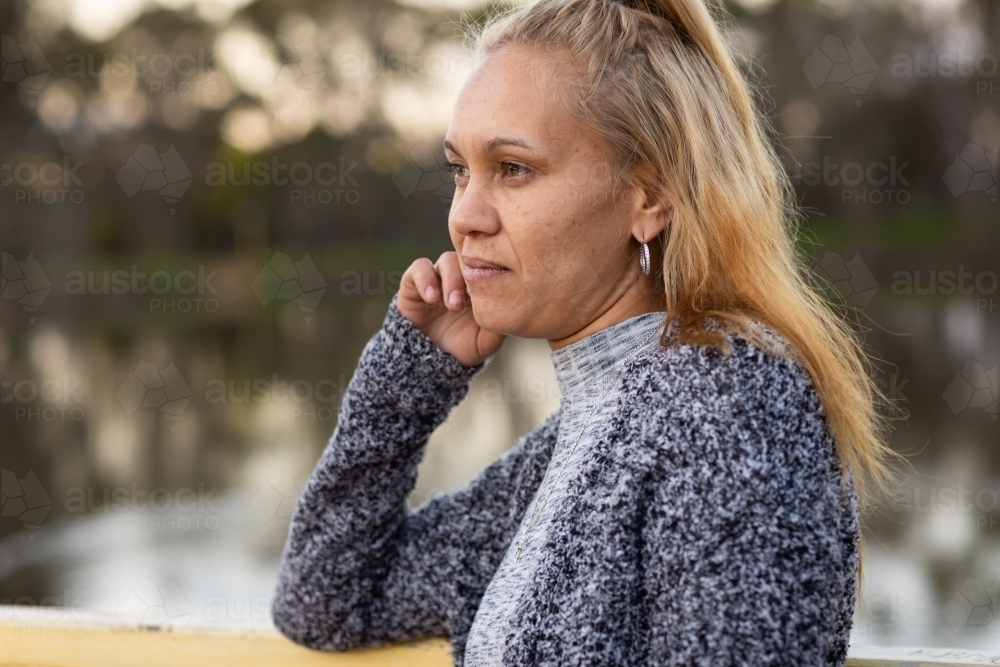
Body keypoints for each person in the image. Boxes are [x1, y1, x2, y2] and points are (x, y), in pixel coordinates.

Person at [271, 0, 902, 664]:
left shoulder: (727, 404)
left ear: (649, 196)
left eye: (512, 168)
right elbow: (327, 598)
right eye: (461, 170)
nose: (466, 215)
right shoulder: (587, 435)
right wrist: (408, 380)